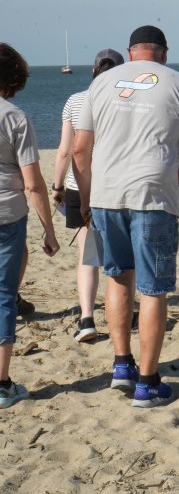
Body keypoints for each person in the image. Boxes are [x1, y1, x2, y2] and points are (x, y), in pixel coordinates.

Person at [73, 25, 179, 408]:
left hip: (106, 195)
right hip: (153, 197)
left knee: (117, 278)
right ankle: (147, 384)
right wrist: (169, 176)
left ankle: (121, 365)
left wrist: (86, 198)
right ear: (163, 53)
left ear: (130, 52)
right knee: (152, 289)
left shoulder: (100, 83)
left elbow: (80, 152)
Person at [0, 43, 60, 409]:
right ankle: (2, 384)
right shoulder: (14, 118)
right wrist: (49, 232)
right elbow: (33, 183)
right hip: (6, 213)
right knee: (4, 295)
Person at [52, 48, 125, 342]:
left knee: (87, 255)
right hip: (115, 185)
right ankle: (123, 314)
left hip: (77, 184)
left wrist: (56, 187)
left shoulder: (75, 101)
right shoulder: (124, 101)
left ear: (94, 70)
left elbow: (67, 150)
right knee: (119, 253)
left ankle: (87, 320)